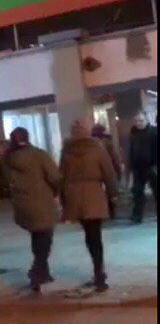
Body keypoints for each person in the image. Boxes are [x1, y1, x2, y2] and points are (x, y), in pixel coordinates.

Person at [60, 120, 119, 292]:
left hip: (74, 197)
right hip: (93, 194)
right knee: (95, 236)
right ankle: (99, 273)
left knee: (88, 235)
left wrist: (64, 200)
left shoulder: (67, 150)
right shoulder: (96, 148)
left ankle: (97, 272)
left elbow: (61, 176)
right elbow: (108, 173)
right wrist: (113, 193)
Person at [3, 127, 61, 292]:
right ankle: (36, 271)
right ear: (27, 137)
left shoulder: (7, 158)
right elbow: (54, 177)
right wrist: (56, 192)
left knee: (37, 236)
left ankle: (43, 273)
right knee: (45, 237)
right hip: (41, 202)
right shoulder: (39, 155)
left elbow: (7, 181)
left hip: (22, 204)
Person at [128, 112, 158, 224]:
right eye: (136, 121)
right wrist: (131, 168)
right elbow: (131, 152)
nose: (138, 123)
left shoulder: (154, 132)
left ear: (146, 120)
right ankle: (137, 216)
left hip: (152, 166)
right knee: (137, 192)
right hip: (138, 168)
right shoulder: (133, 134)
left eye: (141, 121)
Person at [91, 123, 121, 220]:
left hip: (96, 171)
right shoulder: (108, 142)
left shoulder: (91, 143)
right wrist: (118, 171)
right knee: (110, 190)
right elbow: (114, 157)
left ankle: (102, 211)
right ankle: (111, 211)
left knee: (100, 192)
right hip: (108, 169)